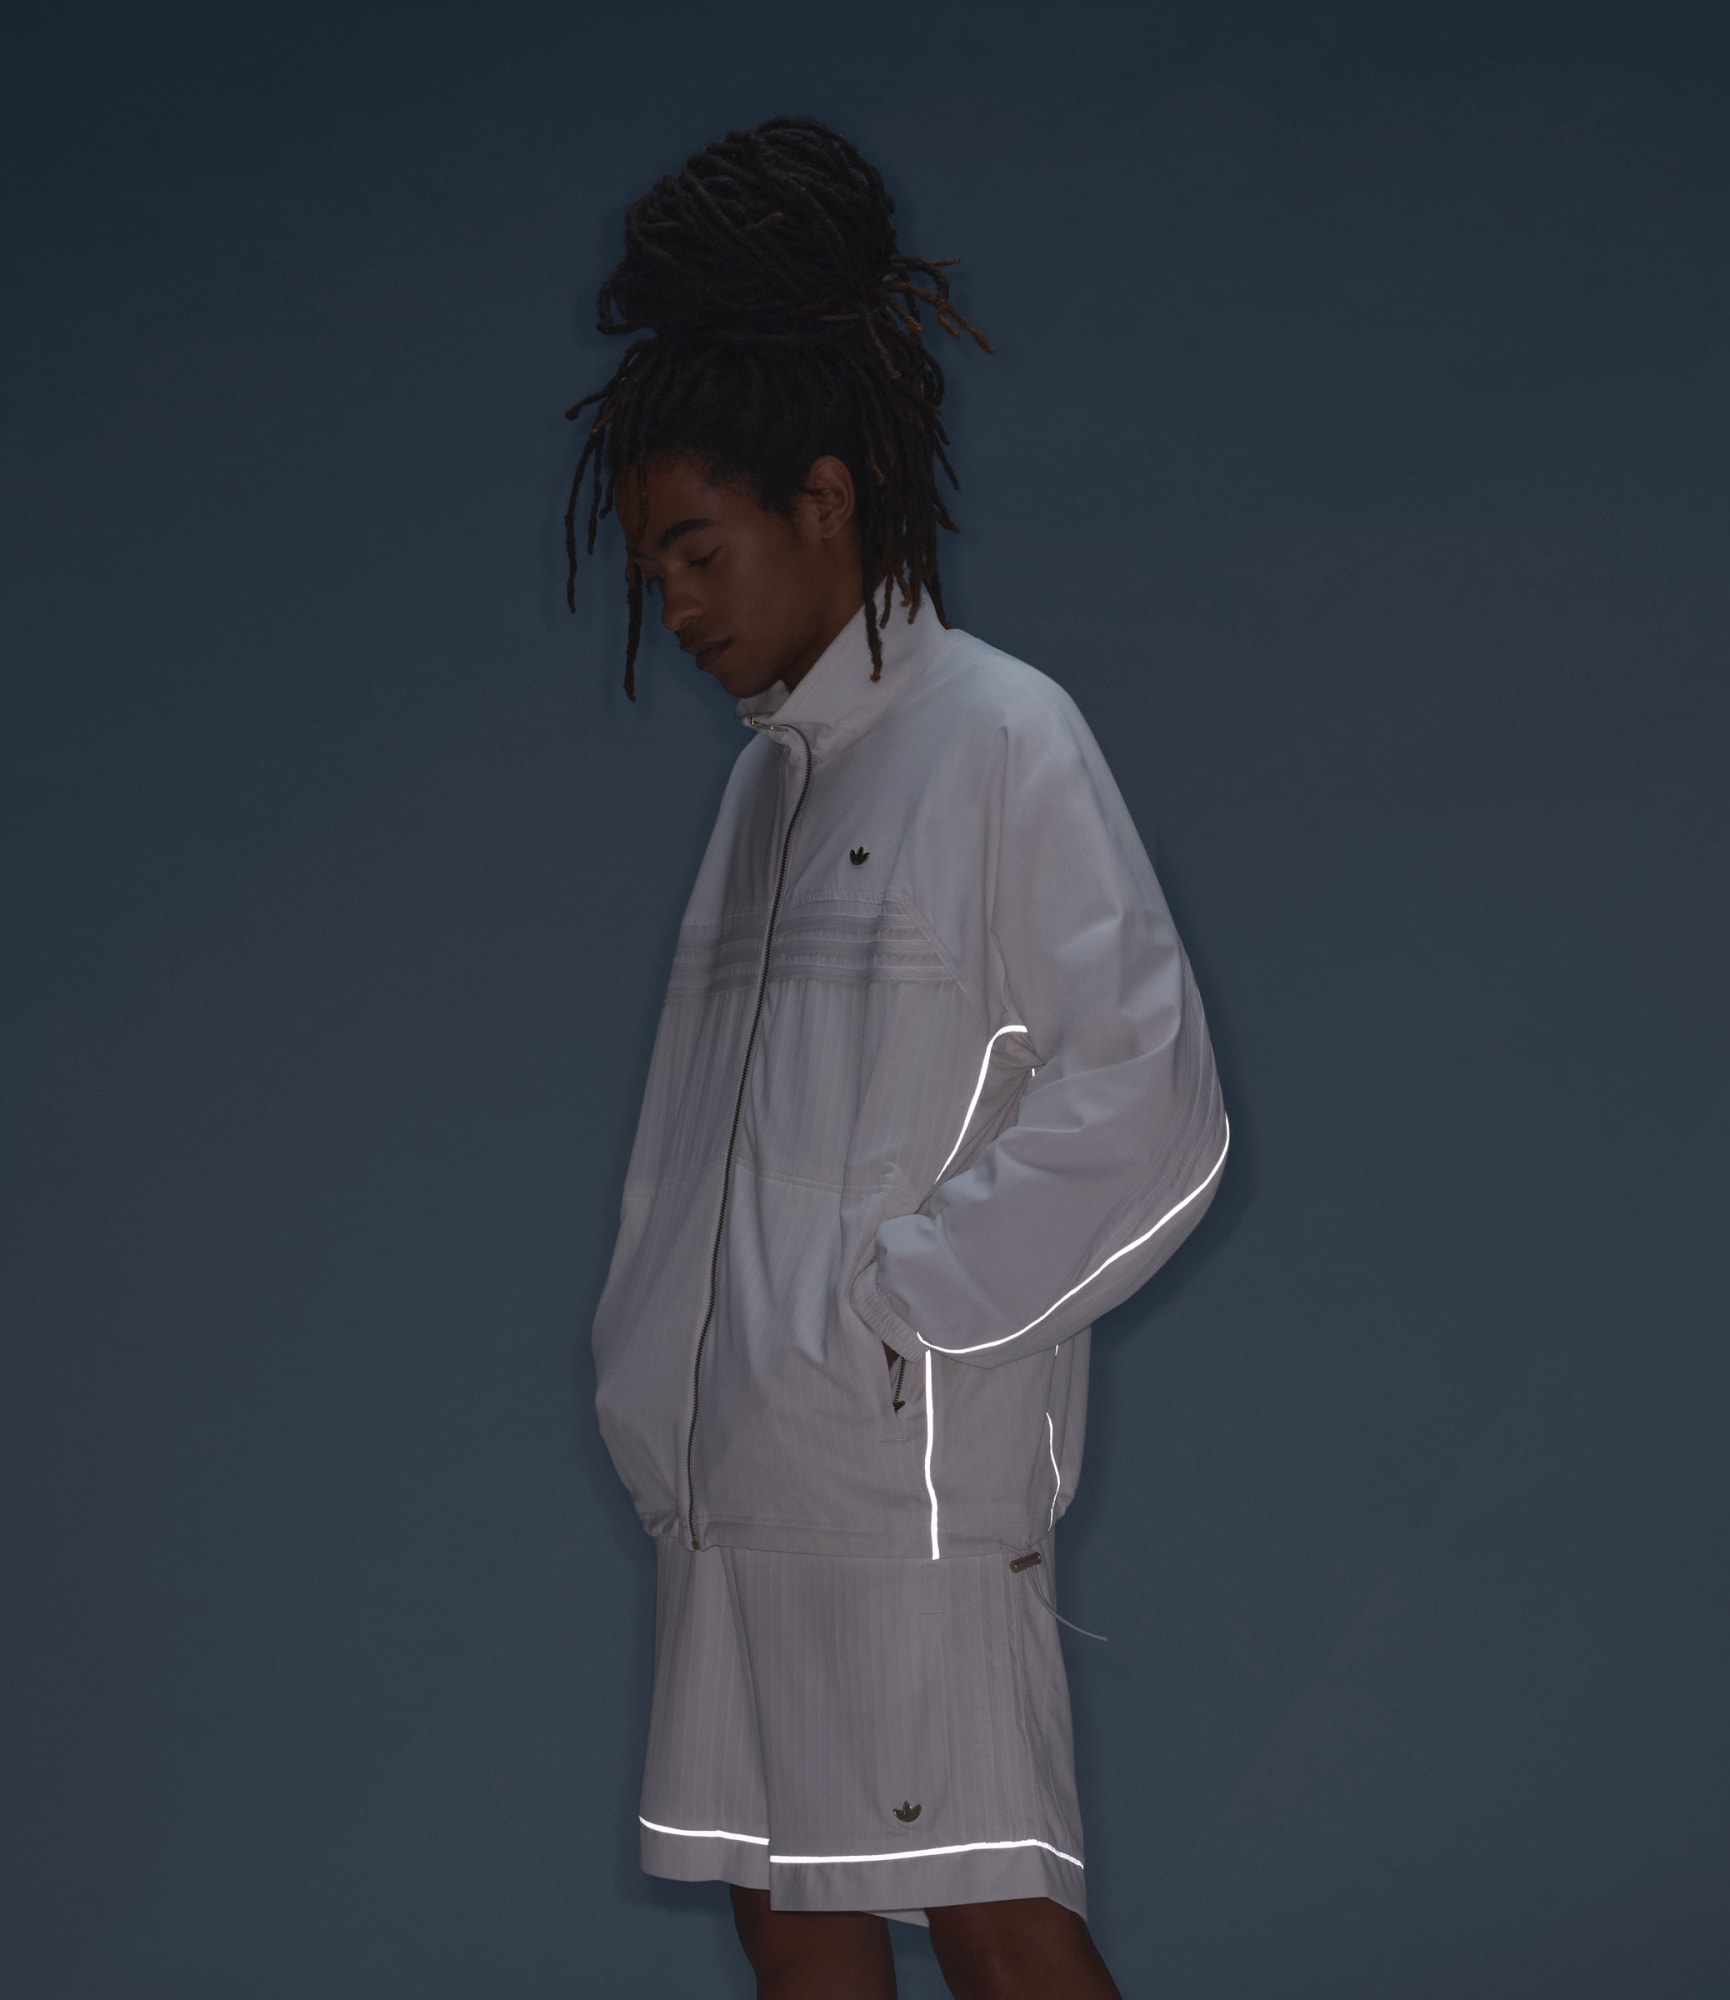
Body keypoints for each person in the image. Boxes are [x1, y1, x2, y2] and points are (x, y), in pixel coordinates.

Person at [562, 115, 1228, 2000]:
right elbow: (688, 1152)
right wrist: (651, 1377)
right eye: (652, 570)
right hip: (727, 1489)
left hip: (896, 1497)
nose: (676, 607)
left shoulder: (1001, 737)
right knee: (786, 1910)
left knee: (996, 1923)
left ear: (828, 500)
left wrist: (898, 1321)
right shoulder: (769, 794)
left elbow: (1153, 1104)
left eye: (699, 553)